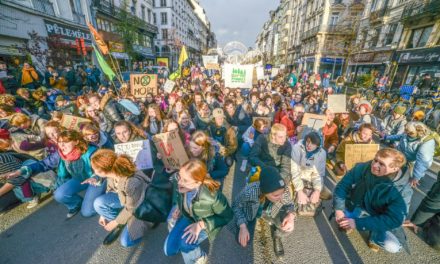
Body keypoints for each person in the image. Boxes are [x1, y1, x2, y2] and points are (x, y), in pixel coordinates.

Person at [333, 148, 412, 253]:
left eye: (381, 164)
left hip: (380, 216)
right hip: (358, 205)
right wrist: (338, 209)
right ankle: (353, 219)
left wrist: (358, 223)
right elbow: (342, 186)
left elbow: (394, 219)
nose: (374, 165)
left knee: (392, 246)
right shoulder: (363, 168)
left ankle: (374, 236)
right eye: (375, 160)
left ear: (395, 169)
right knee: (340, 218)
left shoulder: (403, 191)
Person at [164, 159, 233, 264]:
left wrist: (201, 224)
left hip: (205, 222)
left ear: (198, 182)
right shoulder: (182, 186)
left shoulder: (213, 197)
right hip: (189, 218)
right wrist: (180, 207)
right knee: (169, 250)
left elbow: (227, 217)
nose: (179, 182)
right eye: (179, 176)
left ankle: (200, 257)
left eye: (185, 180)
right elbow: (181, 199)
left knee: (185, 244)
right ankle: (186, 248)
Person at [86, 149, 152, 247]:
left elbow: (131, 208)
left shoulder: (130, 182)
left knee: (126, 241)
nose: (94, 172)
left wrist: (115, 222)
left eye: (94, 169)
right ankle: (124, 221)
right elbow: (110, 190)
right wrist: (102, 215)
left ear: (103, 170)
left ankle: (145, 222)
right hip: (128, 203)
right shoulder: (112, 174)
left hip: (143, 207)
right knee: (98, 203)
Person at [232, 166, 295, 259]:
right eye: (276, 195)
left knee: (288, 226)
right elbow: (236, 206)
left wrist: (291, 215)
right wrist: (242, 226)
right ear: (265, 191)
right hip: (252, 212)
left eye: (282, 193)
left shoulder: (282, 189)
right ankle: (251, 222)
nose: (281, 197)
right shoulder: (250, 191)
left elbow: (290, 203)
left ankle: (277, 236)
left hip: (272, 211)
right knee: (244, 241)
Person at [53, 130, 106, 218]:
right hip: (80, 180)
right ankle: (77, 204)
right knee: (59, 194)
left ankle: (103, 196)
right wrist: (26, 169)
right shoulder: (63, 154)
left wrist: (95, 178)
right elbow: (47, 164)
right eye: (60, 142)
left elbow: (104, 169)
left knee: (87, 212)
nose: (62, 145)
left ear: (76, 141)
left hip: (96, 179)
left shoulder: (91, 152)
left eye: (66, 142)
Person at [386, 122, 436, 188]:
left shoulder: (427, 142)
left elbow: (423, 161)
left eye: (410, 133)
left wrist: (416, 177)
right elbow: (400, 137)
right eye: (406, 130)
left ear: (419, 131)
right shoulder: (408, 133)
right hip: (398, 158)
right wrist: (387, 137)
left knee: (399, 183)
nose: (406, 133)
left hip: (409, 165)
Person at [291, 131, 326, 216]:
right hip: (297, 178)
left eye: (313, 143)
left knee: (328, 195)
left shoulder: (322, 153)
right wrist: (299, 191)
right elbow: (294, 171)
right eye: (308, 141)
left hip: (310, 179)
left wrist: (317, 191)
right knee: (290, 193)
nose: (309, 145)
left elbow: (318, 174)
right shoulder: (297, 148)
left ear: (318, 145)